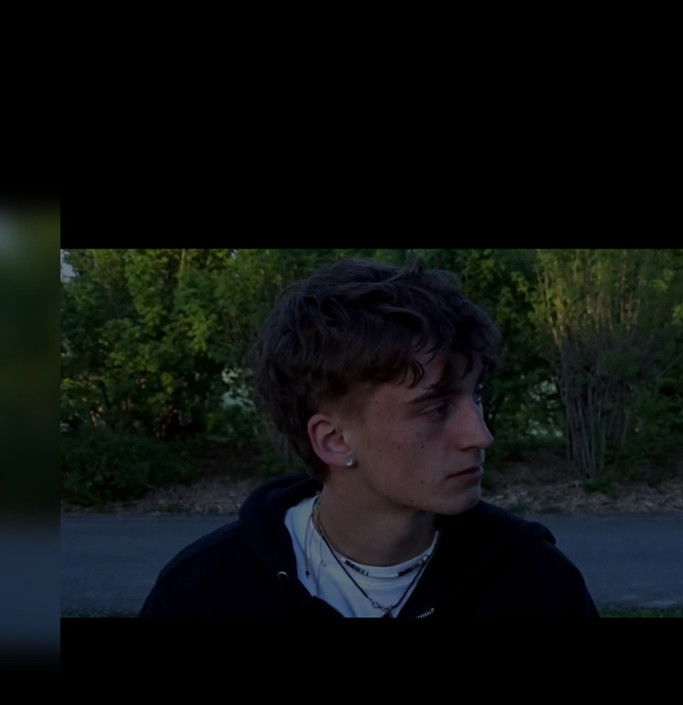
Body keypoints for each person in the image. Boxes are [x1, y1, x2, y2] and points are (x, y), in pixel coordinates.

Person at [139, 256, 599, 620]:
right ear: (334, 440)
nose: (480, 435)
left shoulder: (534, 584)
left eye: (474, 395)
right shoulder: (206, 592)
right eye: (436, 408)